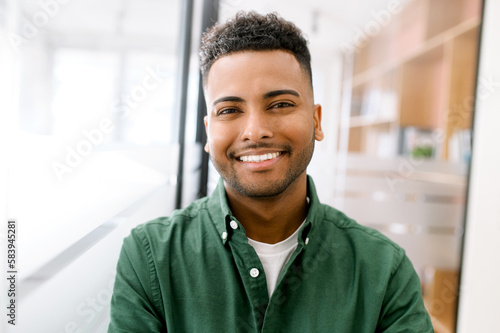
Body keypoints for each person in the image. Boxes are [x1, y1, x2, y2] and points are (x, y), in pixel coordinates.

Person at [108, 11, 433, 332]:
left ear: (317, 121)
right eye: (230, 110)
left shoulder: (383, 269)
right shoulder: (150, 256)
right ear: (209, 132)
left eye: (280, 105)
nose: (255, 131)